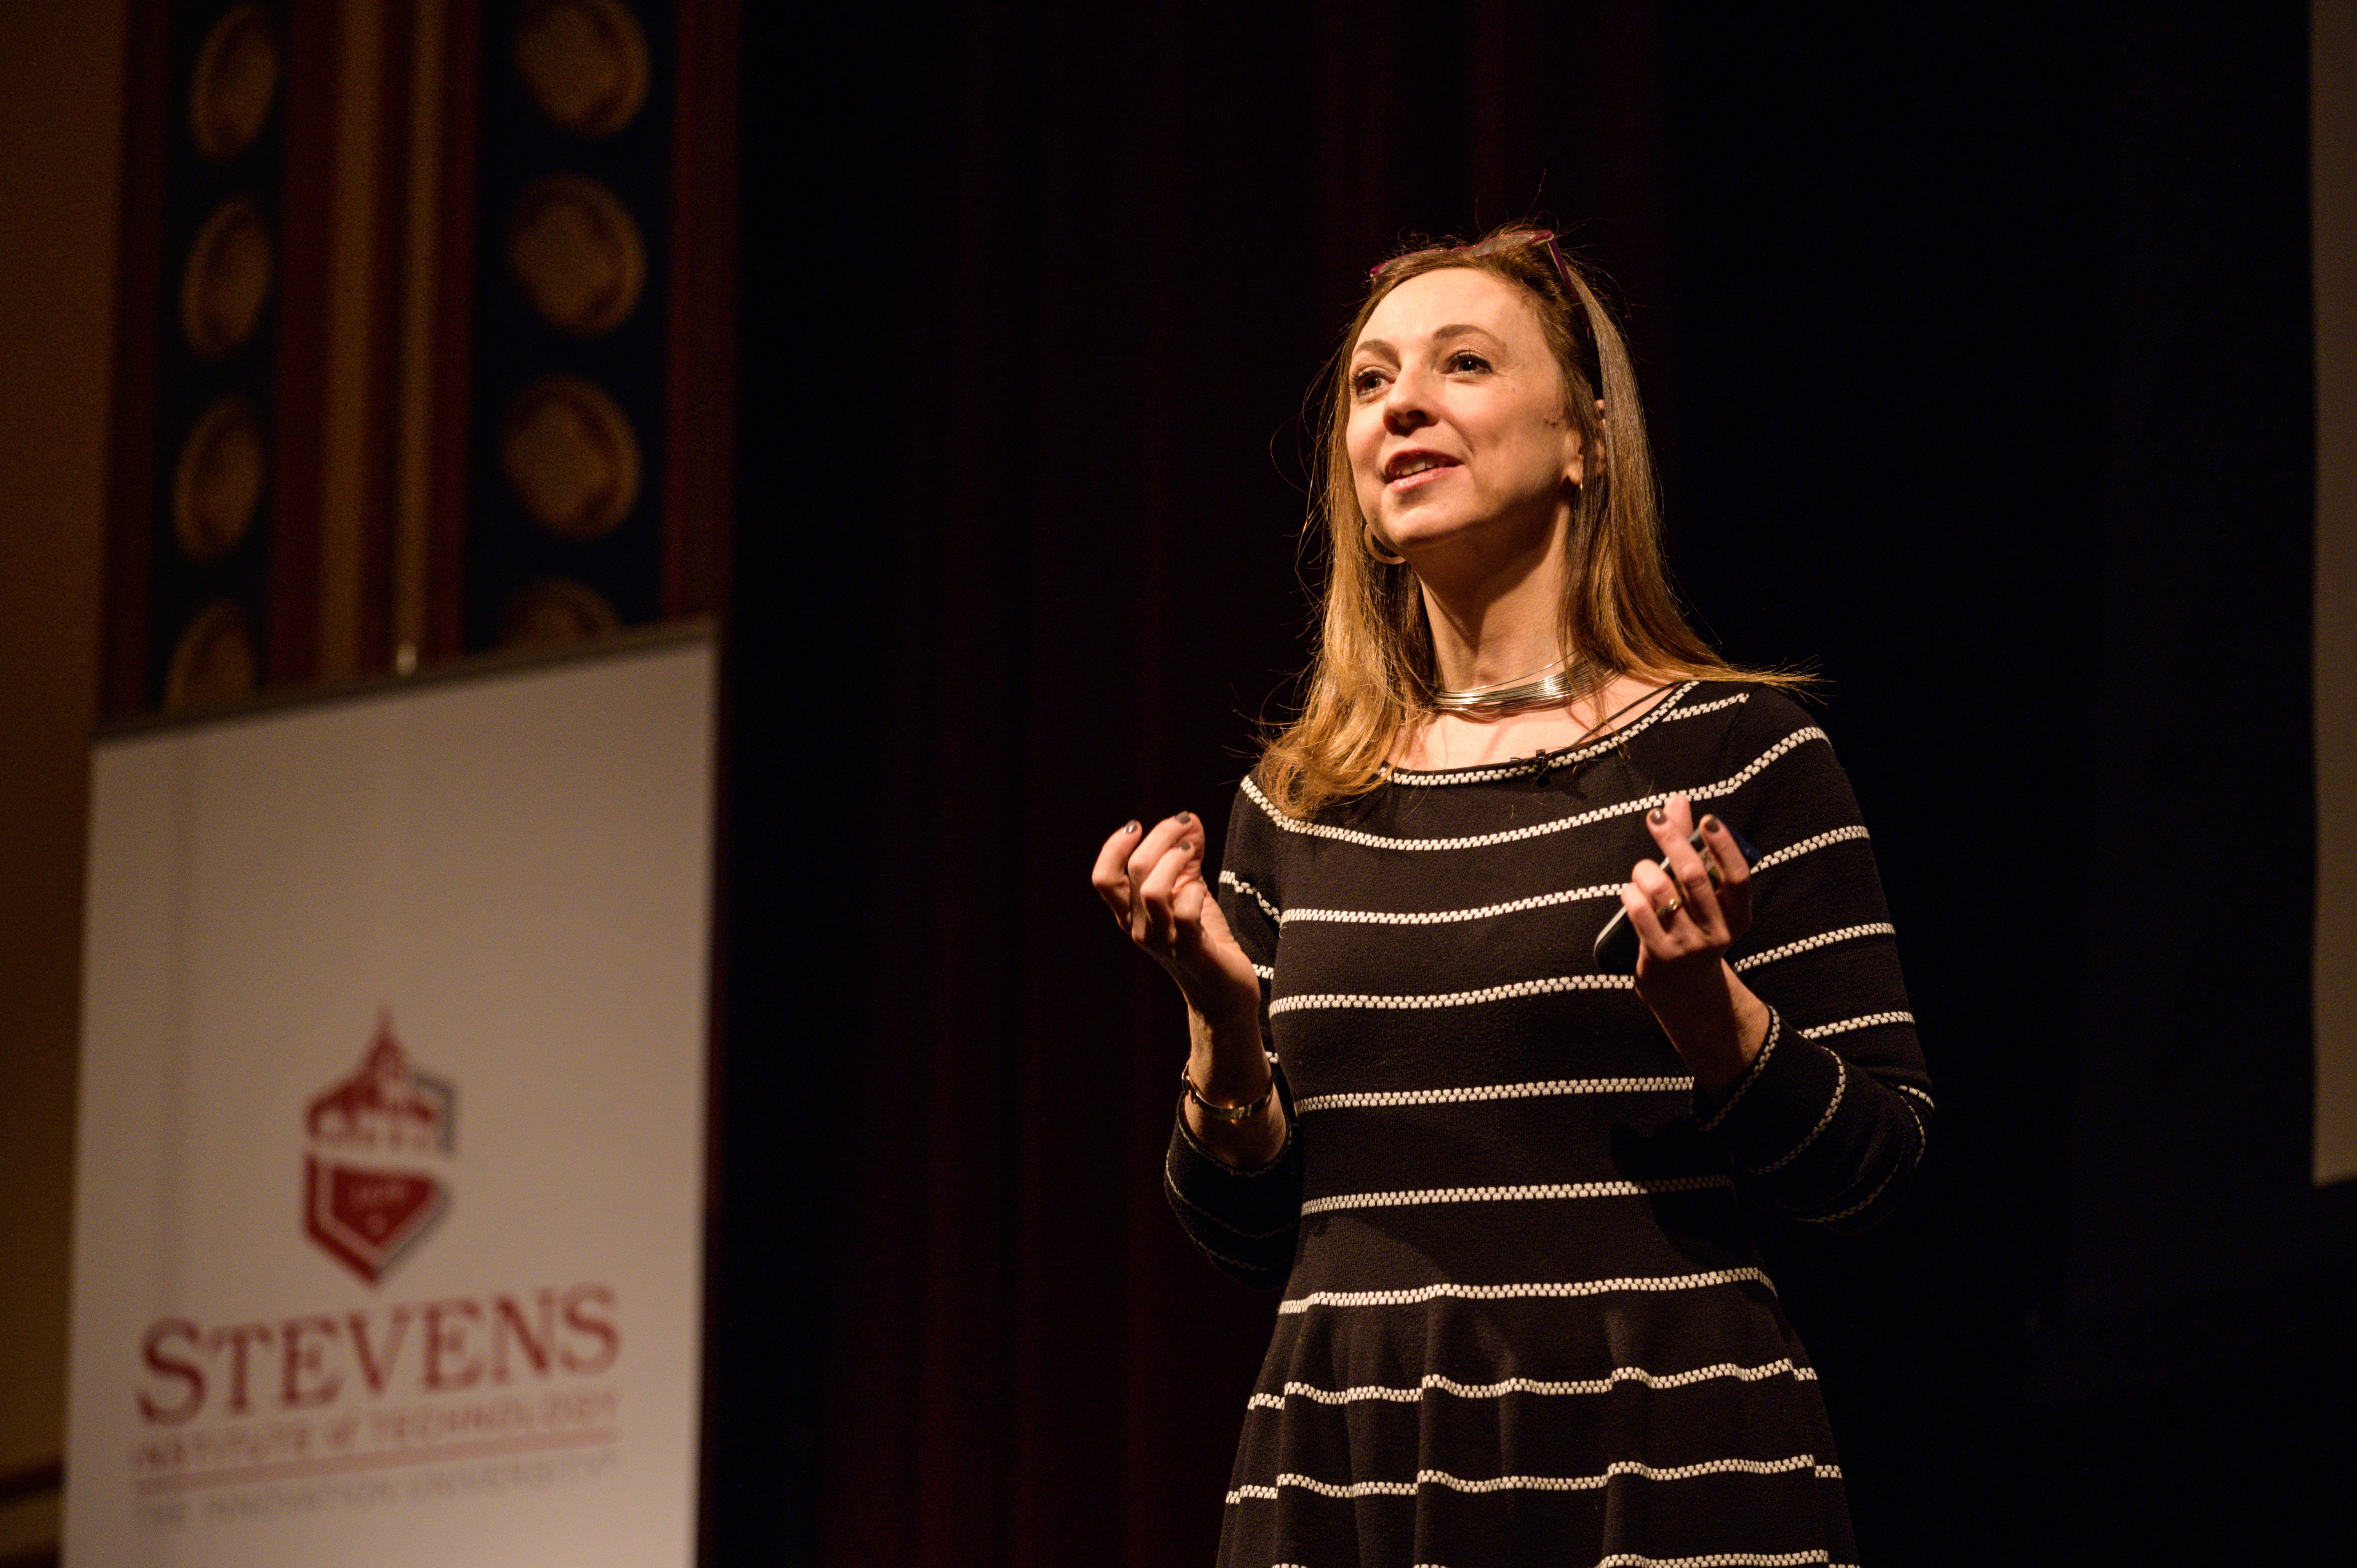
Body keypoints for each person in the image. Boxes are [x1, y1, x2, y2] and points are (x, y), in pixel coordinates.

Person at [1090, 226, 1929, 1567]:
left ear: (1587, 438)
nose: (1401, 405)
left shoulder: (1740, 756)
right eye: (1370, 384)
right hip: (1354, 1458)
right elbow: (1244, 1229)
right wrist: (1221, 1021)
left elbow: (1880, 1171)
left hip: (1659, 1451)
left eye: (1462, 364)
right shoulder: (1296, 802)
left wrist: (1710, 1016)